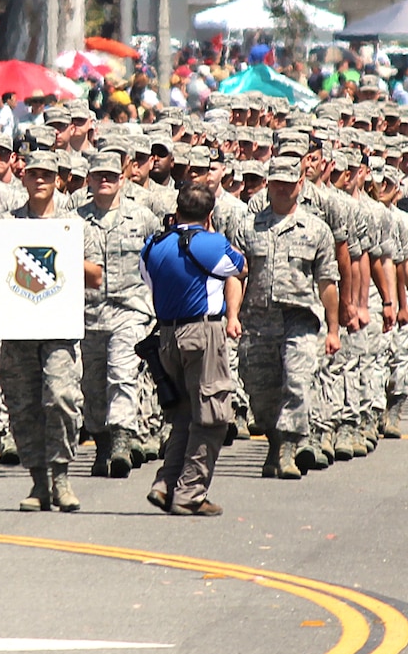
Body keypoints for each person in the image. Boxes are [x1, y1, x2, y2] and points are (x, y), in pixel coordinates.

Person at [139, 183, 246, 516]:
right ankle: (190, 492)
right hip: (203, 331)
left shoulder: (154, 244)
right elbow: (238, 266)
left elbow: (147, 279)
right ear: (209, 214)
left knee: (184, 416)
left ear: (177, 209)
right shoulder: (209, 242)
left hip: (167, 335)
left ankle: (166, 484)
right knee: (212, 416)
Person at [242, 157, 341, 479]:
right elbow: (236, 275)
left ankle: (287, 449)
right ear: (268, 185)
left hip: (298, 319)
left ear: (301, 185)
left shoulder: (316, 229)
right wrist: (232, 315)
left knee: (297, 383)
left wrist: (333, 329)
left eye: (290, 183)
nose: (283, 189)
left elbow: (327, 281)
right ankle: (274, 442)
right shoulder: (249, 226)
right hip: (256, 321)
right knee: (261, 390)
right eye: (277, 183)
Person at [1, 151, 87, 511]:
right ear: (23, 178)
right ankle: (39, 481)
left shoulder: (73, 224)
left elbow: (95, 273)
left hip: (58, 327)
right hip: (18, 328)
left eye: (47, 174)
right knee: (23, 406)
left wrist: (67, 260)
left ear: (58, 180)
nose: (39, 180)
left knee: (61, 398)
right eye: (33, 173)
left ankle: (61, 476)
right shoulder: (6, 224)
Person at [78, 150, 159, 479]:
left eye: (111, 176)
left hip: (130, 310)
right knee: (92, 385)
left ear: (122, 179)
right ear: (89, 180)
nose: (105, 181)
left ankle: (122, 440)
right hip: (87, 313)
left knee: (122, 373)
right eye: (99, 176)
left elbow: (158, 264)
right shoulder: (73, 221)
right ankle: (102, 443)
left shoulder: (142, 218)